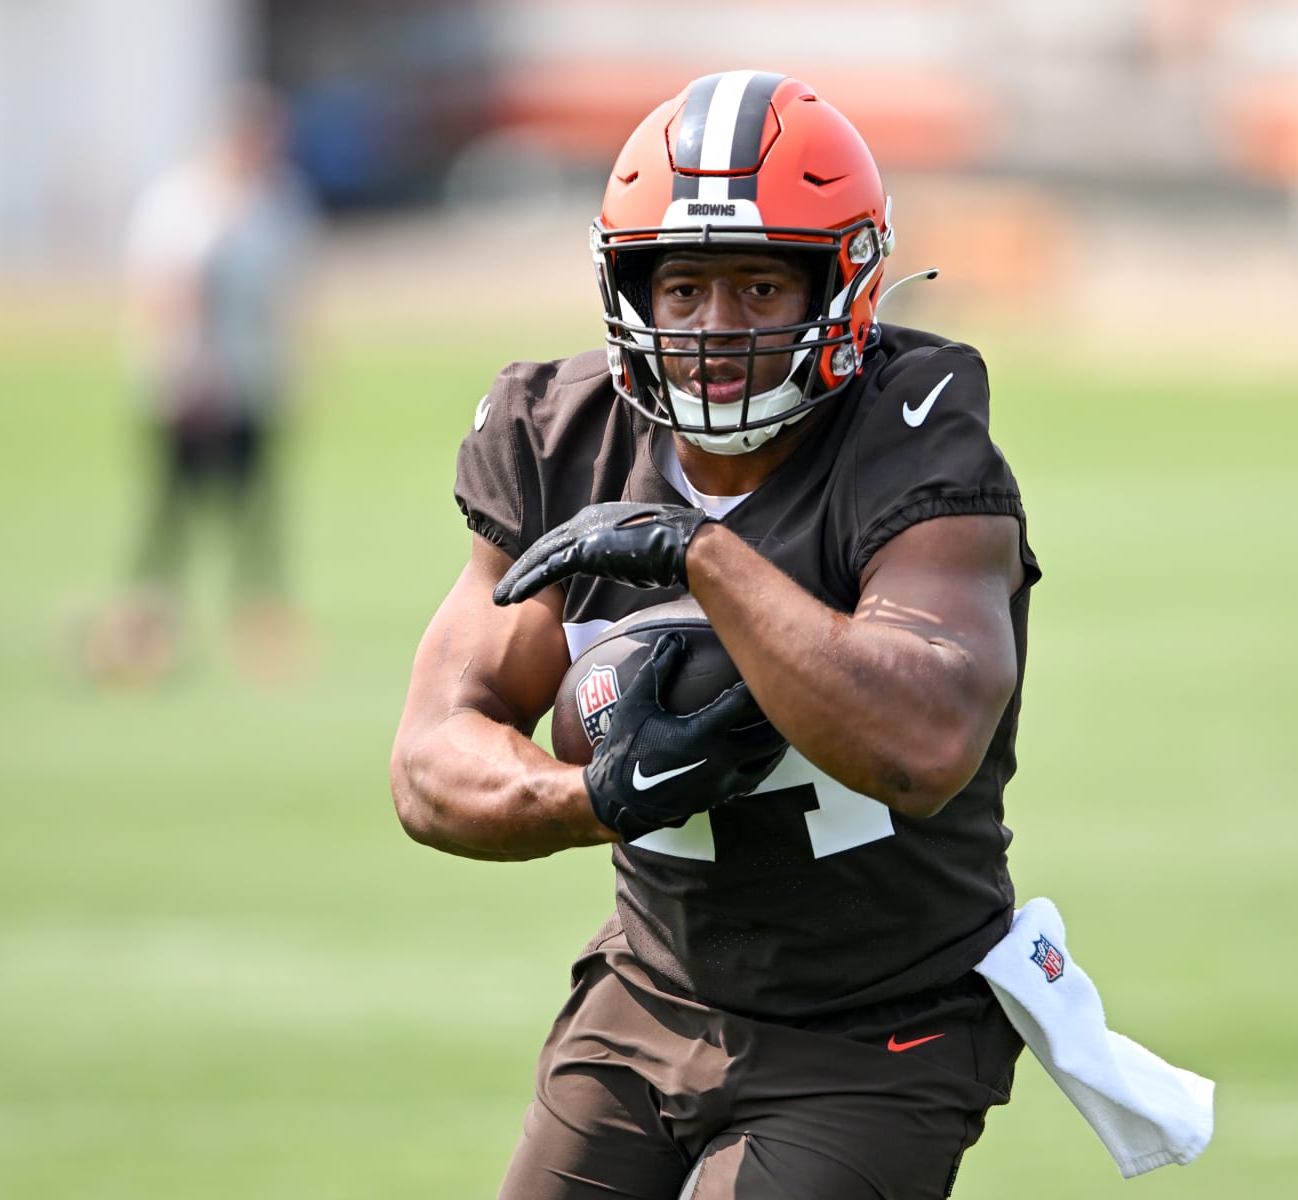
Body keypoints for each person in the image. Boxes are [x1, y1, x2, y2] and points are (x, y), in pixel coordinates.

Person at [390, 72, 1042, 1198]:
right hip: (650, 993)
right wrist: (594, 800)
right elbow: (431, 762)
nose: (715, 327)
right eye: (682, 286)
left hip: (878, 1024)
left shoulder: (915, 435)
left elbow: (925, 743)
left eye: (757, 284)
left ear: (842, 283)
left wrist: (699, 555)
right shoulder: (566, 433)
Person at [86, 85, 315, 686]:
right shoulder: (180, 204)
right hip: (185, 389)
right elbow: (161, 294)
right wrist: (186, 371)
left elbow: (285, 291)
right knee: (172, 516)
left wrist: (292, 364)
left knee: (256, 514)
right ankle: (141, 631)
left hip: (249, 384)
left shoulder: (277, 200)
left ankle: (258, 630)